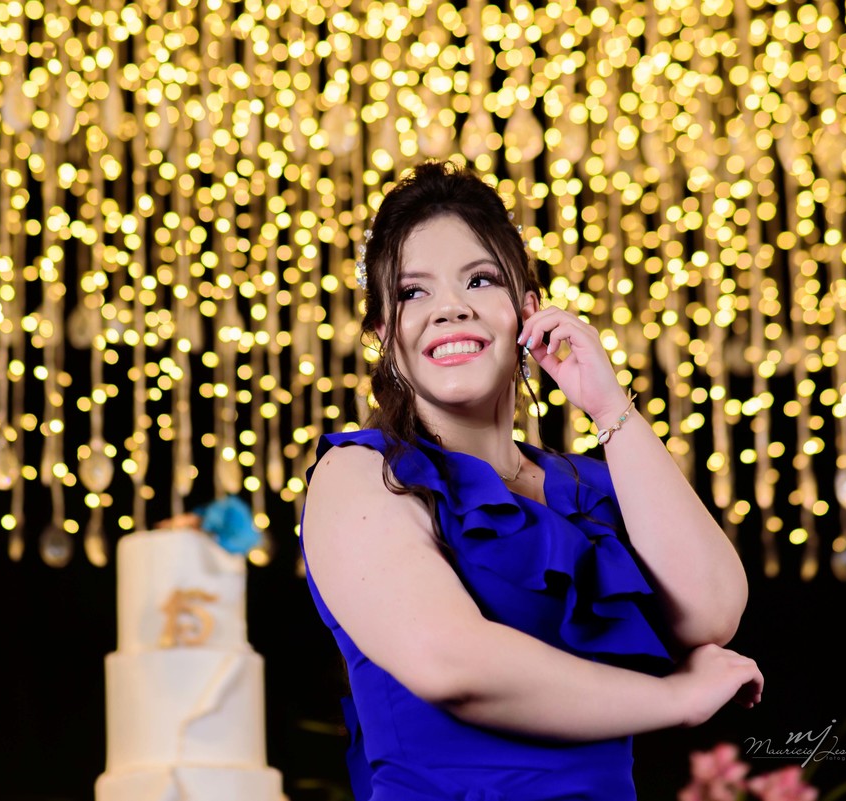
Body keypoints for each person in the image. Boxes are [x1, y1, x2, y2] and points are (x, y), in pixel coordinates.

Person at [299, 160, 763, 801]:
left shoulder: (585, 488)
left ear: (527, 311)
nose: (450, 309)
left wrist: (609, 407)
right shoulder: (363, 473)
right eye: (412, 293)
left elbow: (712, 610)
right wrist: (674, 698)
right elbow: (450, 662)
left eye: (479, 280)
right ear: (384, 334)